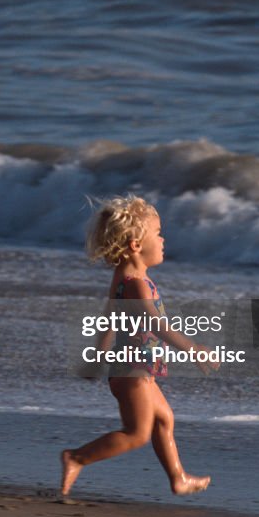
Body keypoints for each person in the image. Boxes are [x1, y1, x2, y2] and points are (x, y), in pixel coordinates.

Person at [60, 195, 217, 497]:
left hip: (134, 369)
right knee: (137, 433)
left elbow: (110, 318)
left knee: (164, 419)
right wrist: (193, 349)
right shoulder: (136, 284)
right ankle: (77, 457)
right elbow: (157, 324)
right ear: (135, 245)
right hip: (133, 370)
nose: (163, 239)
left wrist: (97, 356)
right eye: (157, 233)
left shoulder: (124, 277)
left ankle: (178, 477)